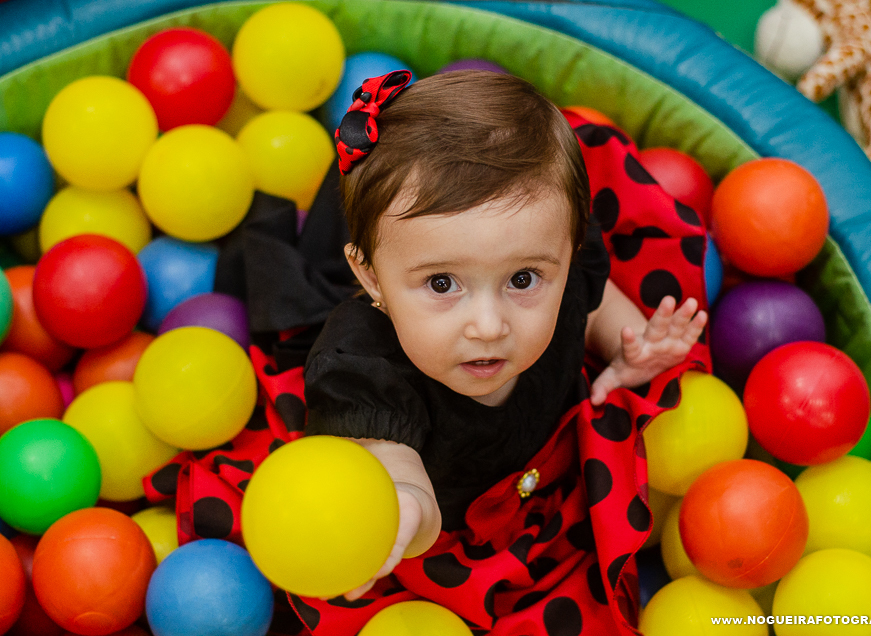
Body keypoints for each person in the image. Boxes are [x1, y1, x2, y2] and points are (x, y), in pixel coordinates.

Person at [144, 69, 711, 636]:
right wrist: (404, 508)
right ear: (370, 277)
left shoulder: (559, 273)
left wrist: (630, 346)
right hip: (447, 522)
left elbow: (589, 299)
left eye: (522, 279)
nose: (489, 325)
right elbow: (396, 464)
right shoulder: (363, 366)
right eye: (442, 284)